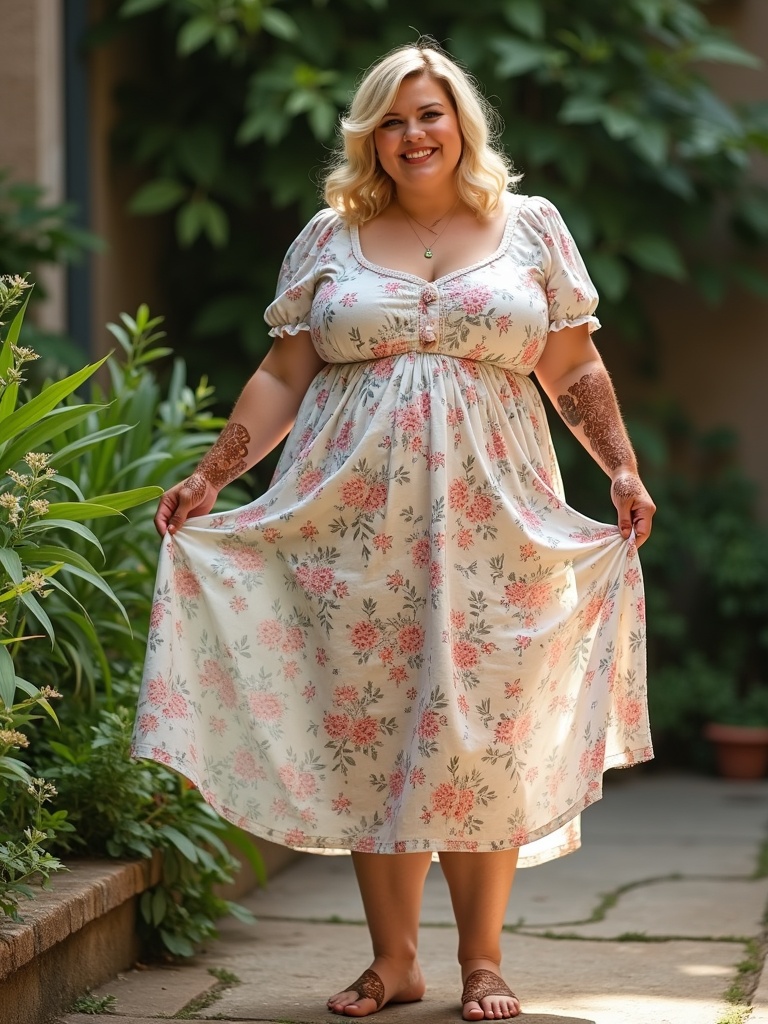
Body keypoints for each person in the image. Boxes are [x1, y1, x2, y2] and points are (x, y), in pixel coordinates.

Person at [133, 40, 655, 1021]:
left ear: (462, 121)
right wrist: (211, 474)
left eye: (429, 113)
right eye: (392, 119)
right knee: (371, 723)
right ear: (368, 137)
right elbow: (284, 373)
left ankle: (485, 961)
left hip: (495, 521)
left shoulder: (530, 228)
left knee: (484, 729)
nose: (413, 134)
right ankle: (395, 960)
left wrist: (620, 466)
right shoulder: (330, 237)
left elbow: (572, 365)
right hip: (351, 526)